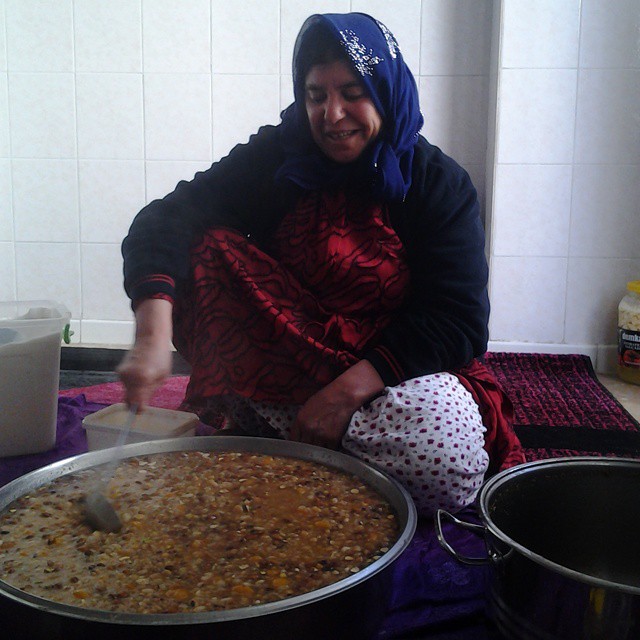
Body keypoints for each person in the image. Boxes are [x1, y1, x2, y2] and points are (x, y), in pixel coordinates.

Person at [118, 12, 524, 516]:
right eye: (316, 95)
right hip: (294, 356)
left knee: (444, 456)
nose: (332, 115)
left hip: (389, 375)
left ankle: (285, 435)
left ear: (384, 89)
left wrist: (342, 397)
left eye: (352, 91)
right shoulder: (278, 156)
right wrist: (152, 339)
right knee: (205, 248)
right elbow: (166, 218)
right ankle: (306, 436)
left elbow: (457, 320)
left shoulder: (437, 183)